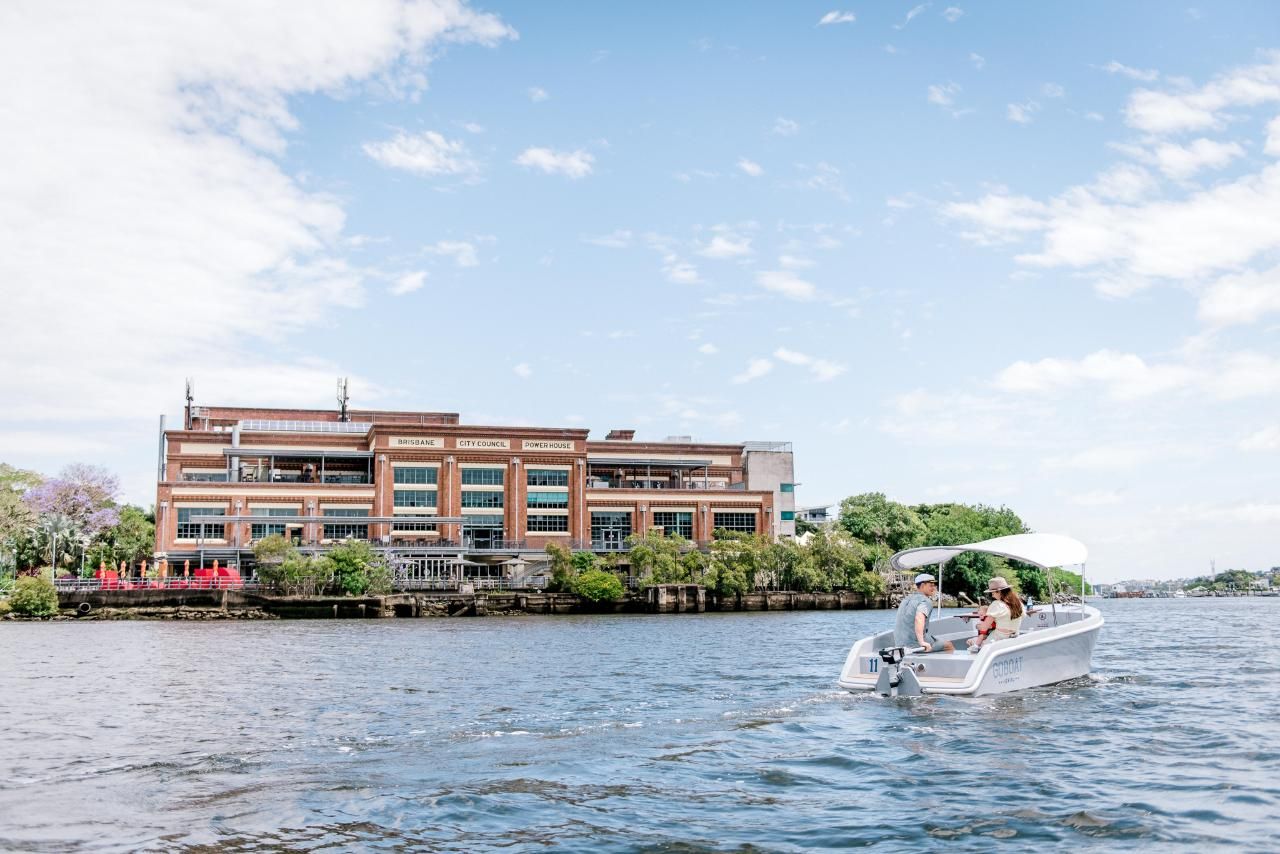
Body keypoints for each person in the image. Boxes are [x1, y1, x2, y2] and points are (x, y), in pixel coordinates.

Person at [893, 573, 955, 653]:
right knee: (949, 645)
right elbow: (919, 618)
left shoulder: (906, 599)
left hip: (899, 644)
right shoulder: (925, 601)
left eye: (934, 585)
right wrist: (922, 642)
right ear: (922, 585)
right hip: (914, 644)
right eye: (931, 585)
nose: (934, 588)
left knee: (934, 640)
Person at [967, 576, 1024, 652]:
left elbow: (984, 628)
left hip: (998, 639)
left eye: (992, 592)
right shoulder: (1019, 603)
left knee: (970, 641)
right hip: (1014, 637)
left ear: (999, 591)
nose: (992, 595)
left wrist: (977, 626)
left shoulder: (997, 604)